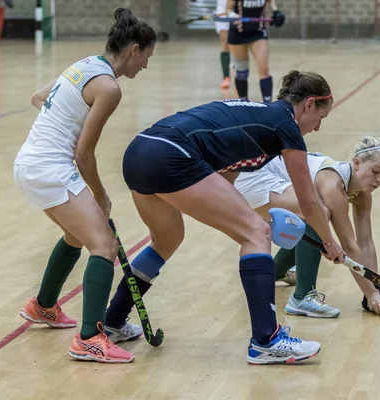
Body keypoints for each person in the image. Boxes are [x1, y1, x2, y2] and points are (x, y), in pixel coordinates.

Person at [104, 70, 345, 365]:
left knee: (168, 239)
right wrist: (329, 243)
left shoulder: (258, 117)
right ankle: (266, 341)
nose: (318, 127)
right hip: (170, 155)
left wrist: (240, 223)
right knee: (256, 234)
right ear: (308, 104)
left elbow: (224, 181)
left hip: (140, 151)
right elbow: (309, 202)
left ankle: (113, 321)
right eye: (320, 118)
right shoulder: (286, 126)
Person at [13, 8, 156, 364]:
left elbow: (38, 97)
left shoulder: (85, 64)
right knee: (104, 245)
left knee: (77, 235)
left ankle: (43, 306)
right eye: (147, 57)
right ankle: (91, 339)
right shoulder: (109, 87)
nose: (146, 66)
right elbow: (85, 154)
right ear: (134, 49)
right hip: (51, 169)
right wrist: (101, 196)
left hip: (29, 163)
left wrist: (59, 123)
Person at [234, 137, 380, 318]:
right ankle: (302, 298)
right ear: (356, 163)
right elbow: (349, 245)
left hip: (274, 181)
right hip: (252, 177)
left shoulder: (362, 194)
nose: (379, 179)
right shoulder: (333, 185)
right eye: (375, 171)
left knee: (316, 217)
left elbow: (365, 242)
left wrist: (374, 285)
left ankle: (275, 271)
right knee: (318, 215)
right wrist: (370, 293)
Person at [227, 0, 285, 102]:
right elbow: (228, 9)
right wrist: (233, 16)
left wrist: (276, 11)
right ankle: (243, 103)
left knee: (264, 69)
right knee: (241, 71)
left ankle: (267, 105)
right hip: (238, 32)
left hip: (258, 32)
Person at [215, 0, 232, 89]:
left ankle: (238, 74)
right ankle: (226, 77)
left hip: (237, 10)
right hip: (222, 11)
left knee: (237, 44)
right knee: (225, 45)